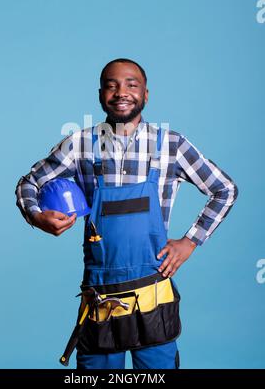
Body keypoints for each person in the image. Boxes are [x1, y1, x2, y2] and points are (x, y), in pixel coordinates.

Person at [15, 58, 238, 369]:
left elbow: (225, 189)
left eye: (132, 84)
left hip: (153, 298)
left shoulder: (171, 145)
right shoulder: (79, 144)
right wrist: (36, 216)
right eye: (112, 85)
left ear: (146, 94)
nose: (122, 92)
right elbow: (30, 183)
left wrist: (190, 241)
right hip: (100, 300)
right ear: (100, 94)